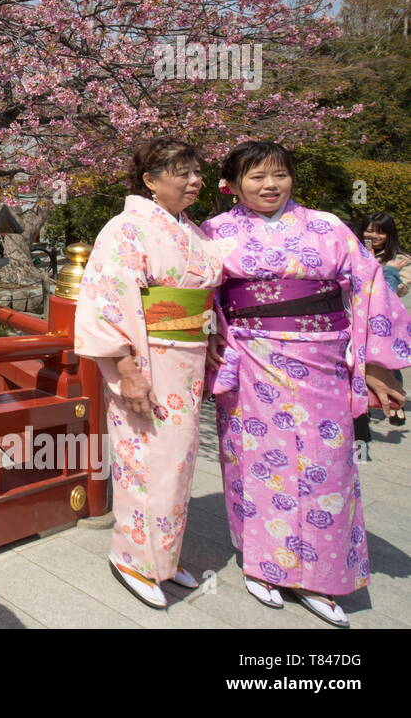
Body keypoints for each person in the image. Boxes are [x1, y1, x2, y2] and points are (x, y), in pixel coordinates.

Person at [203, 141, 409, 627]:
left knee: (327, 467)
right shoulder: (215, 232)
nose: (270, 185)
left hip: (324, 361)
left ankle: (321, 575)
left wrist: (377, 364)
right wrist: (209, 335)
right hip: (253, 358)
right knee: (254, 462)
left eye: (279, 175)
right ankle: (263, 565)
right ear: (232, 185)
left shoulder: (328, 226)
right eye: (256, 177)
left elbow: (369, 286)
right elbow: (198, 294)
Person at [74, 137, 223, 610]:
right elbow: (105, 302)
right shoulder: (126, 229)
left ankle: (164, 556)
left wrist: (210, 335)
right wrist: (125, 368)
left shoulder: (193, 232)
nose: (194, 180)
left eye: (196, 171)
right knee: (143, 460)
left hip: (187, 362)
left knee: (176, 464)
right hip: (147, 362)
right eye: (181, 171)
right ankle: (133, 558)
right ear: (150, 181)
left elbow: (205, 298)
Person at [356, 212, 410, 425]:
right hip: (359, 314)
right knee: (361, 360)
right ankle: (367, 402)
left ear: (389, 235)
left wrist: (389, 270)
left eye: (380, 232)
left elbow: (393, 290)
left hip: (385, 319)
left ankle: (396, 401)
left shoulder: (399, 259)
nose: (374, 235)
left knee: (386, 360)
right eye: (369, 230)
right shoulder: (355, 251)